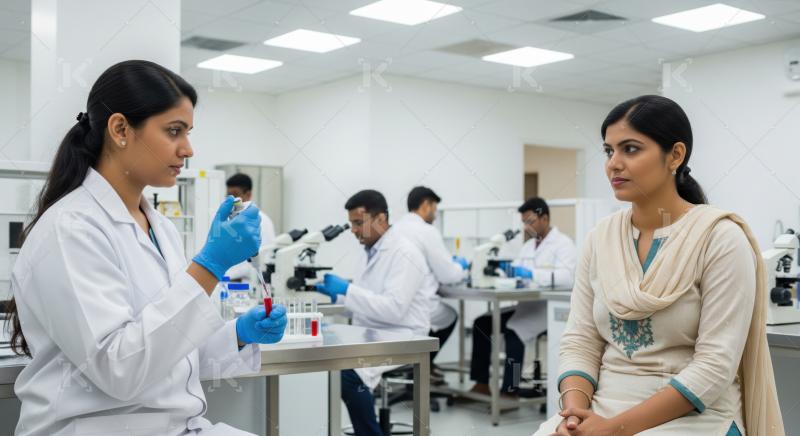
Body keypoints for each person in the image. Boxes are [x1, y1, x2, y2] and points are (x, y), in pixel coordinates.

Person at [5, 60, 288, 436]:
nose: (188, 149)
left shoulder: (160, 228)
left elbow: (170, 353)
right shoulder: (70, 229)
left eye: (187, 132)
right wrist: (209, 266)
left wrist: (237, 334)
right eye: (174, 131)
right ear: (120, 129)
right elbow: (119, 369)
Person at [536, 95, 783, 436]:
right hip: (602, 410)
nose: (613, 164)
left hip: (695, 416)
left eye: (631, 149)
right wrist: (575, 413)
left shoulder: (720, 238)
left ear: (676, 155)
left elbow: (714, 366)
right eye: (609, 151)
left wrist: (615, 429)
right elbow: (581, 340)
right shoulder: (600, 238)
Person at [315, 189, 431, 436]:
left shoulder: (405, 253)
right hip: (370, 333)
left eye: (358, 223)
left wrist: (348, 290)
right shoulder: (369, 250)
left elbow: (393, 309)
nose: (354, 230)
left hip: (403, 336)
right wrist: (337, 296)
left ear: (381, 219)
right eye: (351, 224)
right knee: (320, 356)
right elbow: (367, 300)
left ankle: (370, 433)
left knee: (345, 373)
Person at [469, 197, 577, 397]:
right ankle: (481, 384)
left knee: (514, 332)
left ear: (544, 218)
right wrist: (503, 272)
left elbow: (568, 278)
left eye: (530, 221)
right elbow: (516, 270)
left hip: (546, 309)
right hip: (526, 305)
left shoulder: (564, 244)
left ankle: (510, 390)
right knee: (481, 323)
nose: (526, 227)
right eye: (524, 222)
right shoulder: (528, 247)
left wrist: (531, 275)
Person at [393, 186, 466, 375]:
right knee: (450, 316)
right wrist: (462, 267)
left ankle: (421, 366)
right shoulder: (426, 231)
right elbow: (448, 275)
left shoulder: (395, 228)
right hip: (417, 305)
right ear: (426, 205)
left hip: (394, 304)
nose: (435, 214)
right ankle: (423, 367)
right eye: (435, 208)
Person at [224, 173, 277, 280]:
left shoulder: (261, 221)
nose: (232, 200)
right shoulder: (230, 219)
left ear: (248, 194)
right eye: (228, 195)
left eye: (235, 195)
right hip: (229, 281)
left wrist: (230, 274)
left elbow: (264, 257)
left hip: (249, 284)